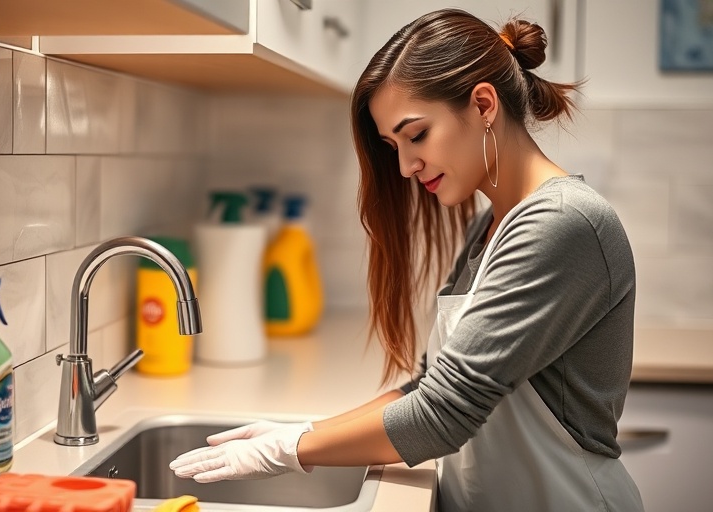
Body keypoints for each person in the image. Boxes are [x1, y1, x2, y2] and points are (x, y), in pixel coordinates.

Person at [170, 8, 644, 511]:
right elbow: (427, 386)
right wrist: (306, 431)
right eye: (393, 145)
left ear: (484, 104)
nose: (404, 166)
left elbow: (444, 414)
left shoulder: (562, 223)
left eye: (416, 135)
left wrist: (291, 450)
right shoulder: (490, 225)